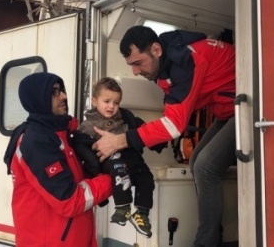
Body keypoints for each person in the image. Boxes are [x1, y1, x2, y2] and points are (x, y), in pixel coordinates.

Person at [92, 26, 236, 247]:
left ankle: (207, 242)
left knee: (205, 167)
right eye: (131, 66)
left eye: (138, 63)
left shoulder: (185, 62)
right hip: (226, 112)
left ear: (156, 49)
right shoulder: (169, 63)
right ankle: (213, 234)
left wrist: (120, 140)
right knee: (197, 160)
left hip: (248, 107)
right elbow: (176, 110)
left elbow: (173, 126)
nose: (135, 72)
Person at [3, 72, 112, 247]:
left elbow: (75, 181)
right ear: (38, 98)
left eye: (62, 90)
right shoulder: (36, 142)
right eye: (54, 92)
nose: (64, 96)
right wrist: (112, 180)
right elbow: (69, 200)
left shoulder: (59, 135)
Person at [73, 77, 156, 238]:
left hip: (131, 159)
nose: (112, 106)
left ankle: (142, 214)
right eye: (107, 101)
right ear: (95, 101)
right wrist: (93, 169)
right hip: (110, 161)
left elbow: (139, 131)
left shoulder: (125, 117)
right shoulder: (88, 125)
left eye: (116, 103)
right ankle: (123, 207)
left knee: (147, 177)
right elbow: (83, 148)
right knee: (119, 169)